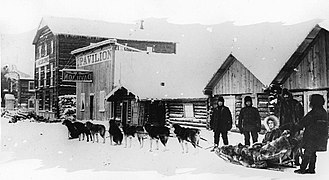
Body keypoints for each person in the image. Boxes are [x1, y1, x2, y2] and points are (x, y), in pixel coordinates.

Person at [294, 94, 328, 174]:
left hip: (312, 136)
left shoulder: (313, 112)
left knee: (308, 152)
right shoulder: (324, 112)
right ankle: (311, 169)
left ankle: (302, 169)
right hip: (320, 137)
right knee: (312, 152)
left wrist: (296, 127)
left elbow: (303, 122)